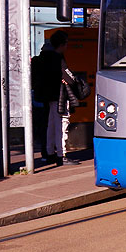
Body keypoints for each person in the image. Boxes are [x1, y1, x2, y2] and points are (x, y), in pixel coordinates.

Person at [32, 31, 81, 166]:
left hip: (46, 96)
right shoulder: (57, 58)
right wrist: (75, 80)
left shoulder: (42, 57)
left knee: (51, 124)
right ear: (62, 44)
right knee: (62, 123)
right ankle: (61, 154)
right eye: (66, 43)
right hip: (58, 95)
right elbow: (68, 77)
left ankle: (50, 153)